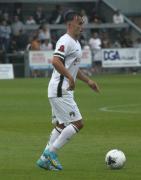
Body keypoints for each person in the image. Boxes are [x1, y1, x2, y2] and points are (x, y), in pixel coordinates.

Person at [36, 10, 100, 171]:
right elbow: (56, 61)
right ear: (70, 24)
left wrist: (88, 81)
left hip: (60, 89)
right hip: (61, 89)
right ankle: (51, 153)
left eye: (82, 23)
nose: (82, 26)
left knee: (62, 124)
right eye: (79, 23)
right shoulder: (65, 40)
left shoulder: (76, 43)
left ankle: (44, 159)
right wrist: (69, 79)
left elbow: (73, 68)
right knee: (78, 123)